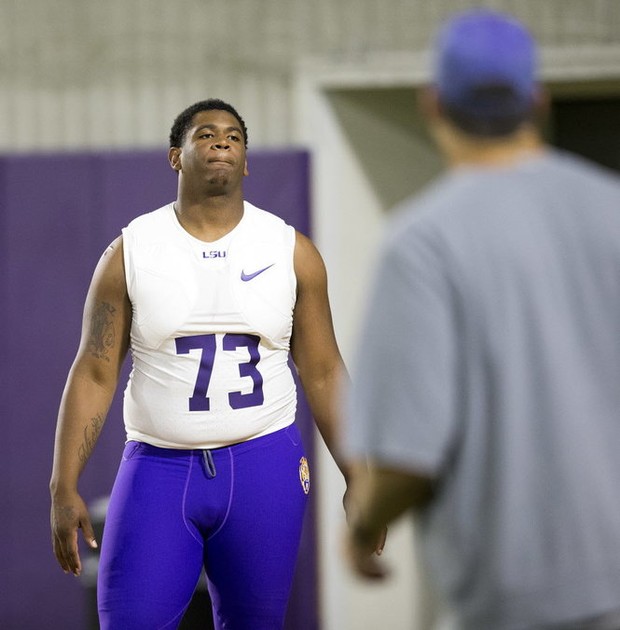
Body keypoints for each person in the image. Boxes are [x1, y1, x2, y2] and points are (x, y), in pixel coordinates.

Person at [343, 9, 620, 630]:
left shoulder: (422, 243)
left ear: (433, 104)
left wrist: (363, 526)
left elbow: (405, 459)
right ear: (538, 101)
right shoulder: (613, 210)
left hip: (515, 602)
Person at [49, 98, 358, 629]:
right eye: (206, 134)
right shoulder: (131, 251)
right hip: (159, 467)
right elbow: (95, 371)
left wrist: (359, 472)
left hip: (263, 463)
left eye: (234, 136)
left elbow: (325, 370)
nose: (222, 142)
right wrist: (63, 483)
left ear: (246, 161)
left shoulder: (291, 250)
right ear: (176, 156)